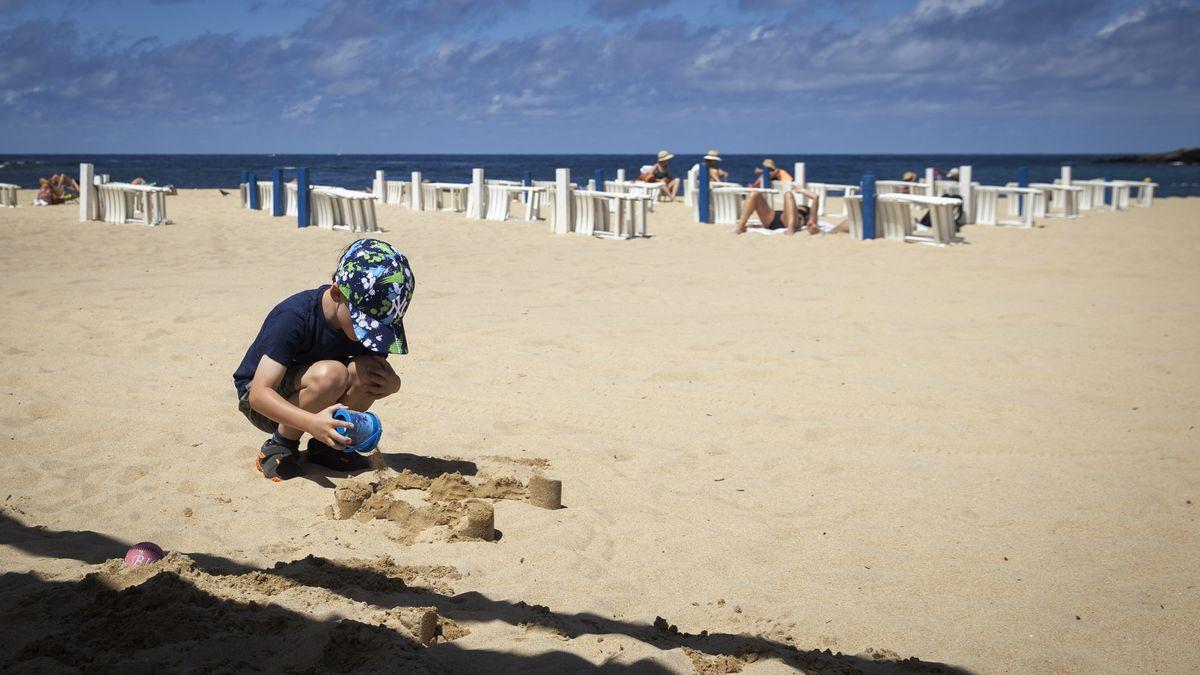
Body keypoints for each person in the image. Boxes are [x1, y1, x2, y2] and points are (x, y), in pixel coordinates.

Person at [233, 238, 413, 482]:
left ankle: (329, 447)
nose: (369, 335)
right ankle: (281, 444)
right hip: (265, 401)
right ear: (337, 293)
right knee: (332, 374)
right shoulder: (293, 317)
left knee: (369, 371)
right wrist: (310, 423)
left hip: (316, 393)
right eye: (365, 323)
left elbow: (371, 375)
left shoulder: (367, 329)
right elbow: (258, 394)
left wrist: (393, 385)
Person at [734, 186, 838, 235]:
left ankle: (790, 230)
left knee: (788, 194)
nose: (799, 205)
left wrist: (801, 191)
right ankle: (739, 228)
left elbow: (815, 197)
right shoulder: (791, 207)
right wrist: (754, 226)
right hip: (773, 218)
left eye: (802, 207)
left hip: (789, 222)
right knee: (754, 194)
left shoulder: (809, 217)